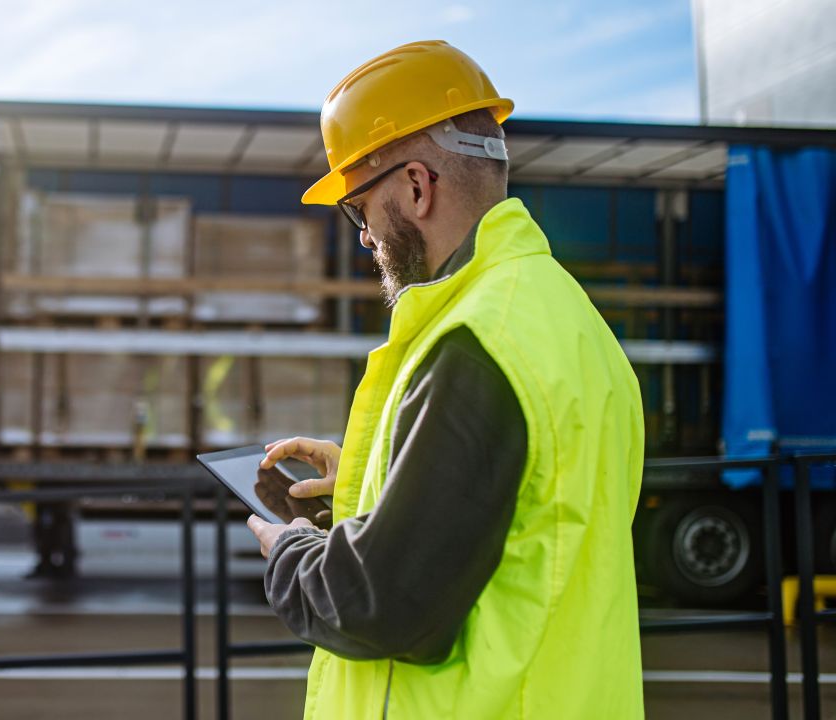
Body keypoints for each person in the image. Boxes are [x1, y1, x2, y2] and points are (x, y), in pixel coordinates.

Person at [245, 41, 645, 718]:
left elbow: (381, 606)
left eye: (359, 209)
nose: (365, 238)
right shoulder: (563, 316)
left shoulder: (474, 346)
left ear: (416, 186)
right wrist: (374, 478)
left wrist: (289, 552)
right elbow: (524, 519)